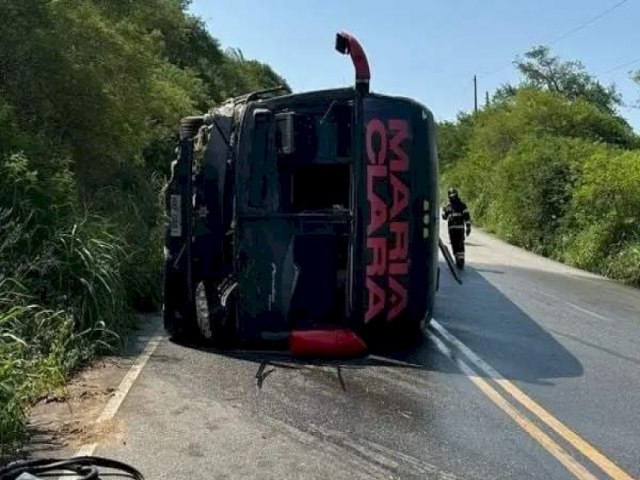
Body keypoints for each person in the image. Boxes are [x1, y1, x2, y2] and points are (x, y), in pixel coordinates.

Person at [442, 188, 471, 269]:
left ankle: (459, 259)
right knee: (458, 243)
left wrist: (468, 226)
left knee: (457, 244)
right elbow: (444, 216)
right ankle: (459, 259)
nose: (453, 198)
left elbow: (444, 217)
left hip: (453, 229)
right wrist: (468, 227)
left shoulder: (457, 205)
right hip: (457, 229)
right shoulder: (461, 205)